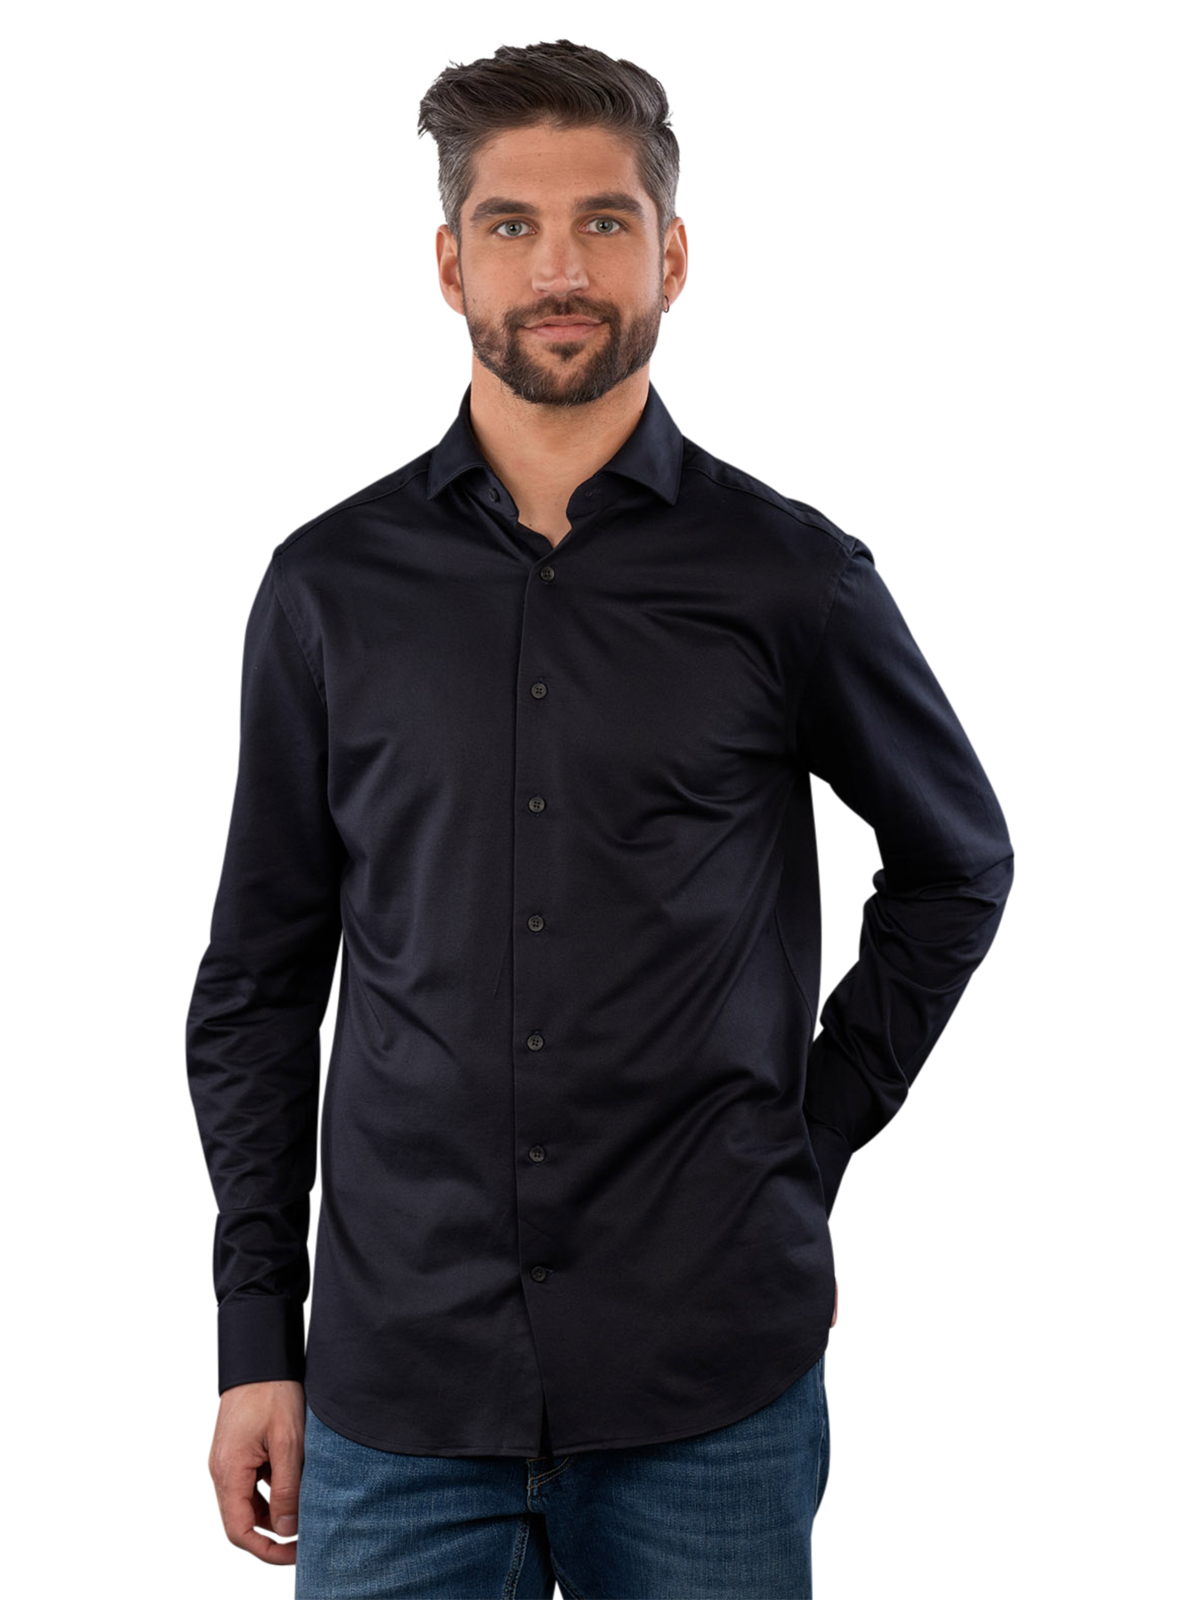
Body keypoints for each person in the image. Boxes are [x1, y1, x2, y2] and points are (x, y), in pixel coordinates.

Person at [186, 36, 1015, 1600]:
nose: (559, 268)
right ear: (450, 263)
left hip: (711, 1371)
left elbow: (956, 866)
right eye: (513, 224)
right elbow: (260, 980)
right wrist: (251, 1337)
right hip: (396, 1383)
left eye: (604, 222)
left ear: (671, 255)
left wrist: (811, 1130)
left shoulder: (792, 580)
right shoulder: (328, 587)